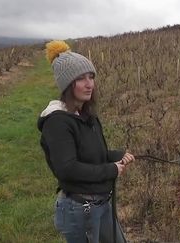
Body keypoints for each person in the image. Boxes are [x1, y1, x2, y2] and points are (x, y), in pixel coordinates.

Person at [37, 40, 134, 243]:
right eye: (80, 78)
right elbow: (68, 168)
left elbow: (93, 153)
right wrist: (111, 169)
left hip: (101, 203)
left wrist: (116, 156)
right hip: (80, 210)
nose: (89, 84)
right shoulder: (57, 122)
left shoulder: (86, 116)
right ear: (67, 84)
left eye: (91, 77)